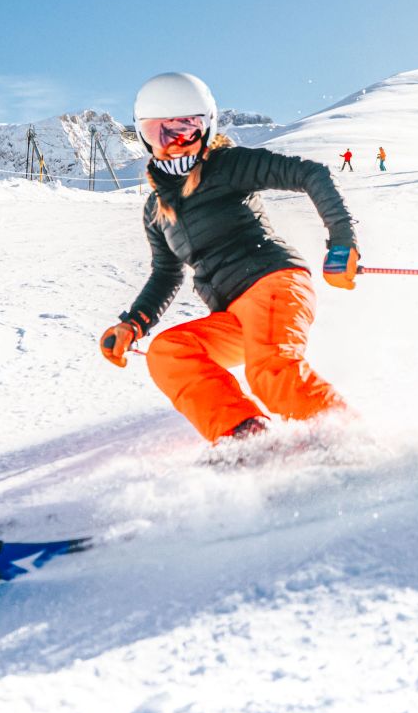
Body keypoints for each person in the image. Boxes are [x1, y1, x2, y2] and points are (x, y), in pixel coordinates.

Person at [100, 72, 361, 445]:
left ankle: (349, 437)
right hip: (232, 314)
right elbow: (165, 274)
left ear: (206, 128)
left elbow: (309, 173)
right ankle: (244, 435)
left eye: (186, 130)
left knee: (269, 370)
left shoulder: (227, 166)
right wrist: (133, 324)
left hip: (273, 283)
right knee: (169, 352)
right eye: (162, 132)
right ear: (144, 136)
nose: (175, 144)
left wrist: (341, 242)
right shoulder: (155, 209)